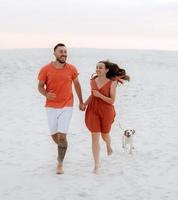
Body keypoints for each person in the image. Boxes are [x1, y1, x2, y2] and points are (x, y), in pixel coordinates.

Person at [37, 43, 84, 175]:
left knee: (62, 137)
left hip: (67, 105)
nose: (64, 54)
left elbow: (77, 85)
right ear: (55, 53)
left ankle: (60, 163)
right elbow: (40, 86)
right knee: (54, 136)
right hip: (51, 106)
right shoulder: (45, 69)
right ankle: (63, 148)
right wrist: (46, 94)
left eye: (65, 52)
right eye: (61, 51)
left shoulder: (71, 69)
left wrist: (81, 101)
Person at [82, 60, 130, 174]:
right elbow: (92, 95)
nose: (98, 69)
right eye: (97, 67)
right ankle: (96, 164)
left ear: (106, 70)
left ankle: (108, 145)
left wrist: (100, 95)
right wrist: (84, 103)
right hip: (93, 109)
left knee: (105, 135)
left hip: (106, 111)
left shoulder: (112, 83)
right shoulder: (92, 81)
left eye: (100, 67)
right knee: (95, 137)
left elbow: (112, 101)